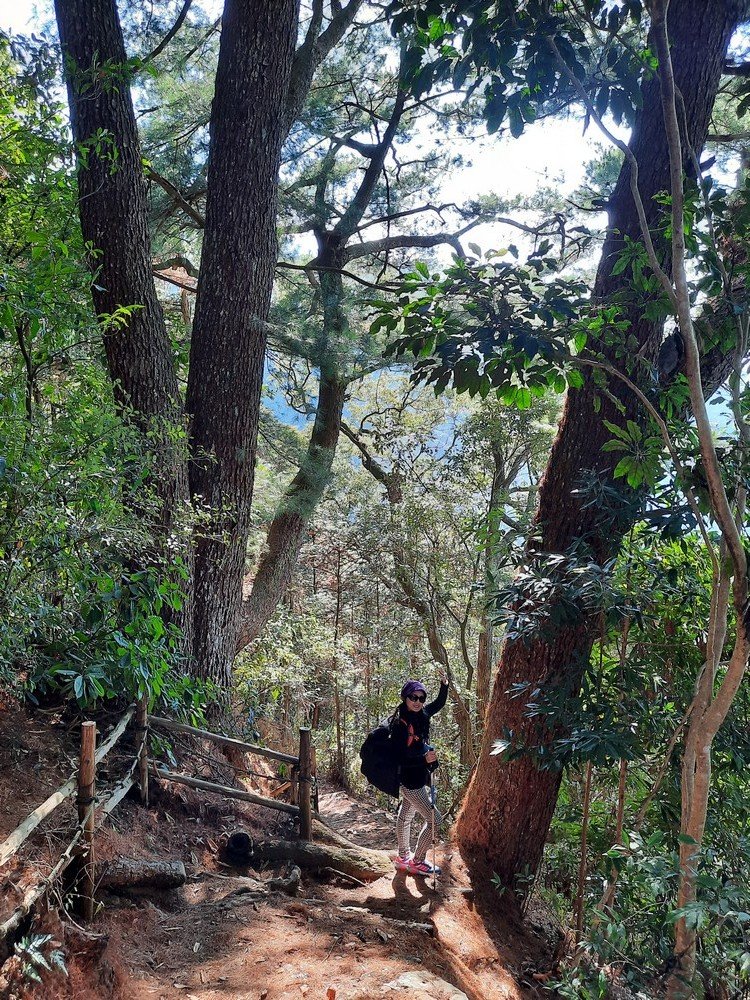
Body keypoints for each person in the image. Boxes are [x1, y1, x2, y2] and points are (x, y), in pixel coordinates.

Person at [391, 672, 449, 876]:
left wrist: (444, 685)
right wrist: (424, 759)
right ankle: (418, 861)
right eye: (413, 697)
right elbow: (400, 758)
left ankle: (402, 857)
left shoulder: (422, 715)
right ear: (405, 698)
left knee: (405, 816)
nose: (418, 702)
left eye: (421, 698)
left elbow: (438, 704)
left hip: (416, 778)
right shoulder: (399, 724)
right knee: (436, 821)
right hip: (411, 781)